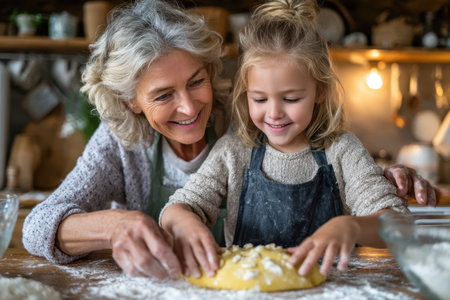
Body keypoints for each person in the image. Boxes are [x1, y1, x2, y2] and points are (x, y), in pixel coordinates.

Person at [22, 0, 438, 280]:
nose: (189, 108)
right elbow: (39, 224)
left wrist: (377, 183)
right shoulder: (123, 143)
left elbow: (314, 163)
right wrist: (118, 226)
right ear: (129, 101)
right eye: (164, 95)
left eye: (197, 81)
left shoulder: (244, 120)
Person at [159, 0, 422, 280]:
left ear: (320, 90)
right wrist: (184, 221)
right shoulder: (233, 152)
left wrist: (352, 227)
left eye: (291, 98)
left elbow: (399, 223)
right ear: (245, 92)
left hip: (330, 292)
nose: (274, 113)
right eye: (259, 99)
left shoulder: (342, 151)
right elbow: (174, 210)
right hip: (251, 292)